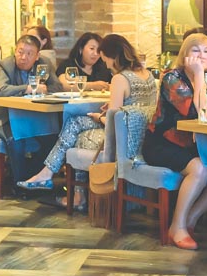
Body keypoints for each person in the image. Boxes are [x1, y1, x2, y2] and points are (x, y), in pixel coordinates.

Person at [17, 34, 158, 209]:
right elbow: (137, 110)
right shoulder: (148, 75)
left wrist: (99, 117)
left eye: (106, 60)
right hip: (144, 139)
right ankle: (59, 183)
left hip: (122, 142)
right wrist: (111, 110)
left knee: (77, 131)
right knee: (76, 124)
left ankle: (70, 191)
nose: (106, 65)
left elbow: (113, 124)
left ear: (113, 57)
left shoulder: (120, 79)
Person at [141, 31, 207, 250]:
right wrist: (198, 75)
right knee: (200, 169)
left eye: (206, 51)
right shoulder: (172, 78)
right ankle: (176, 227)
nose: (201, 55)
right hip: (163, 143)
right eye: (195, 50)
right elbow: (198, 112)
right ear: (185, 54)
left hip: (197, 144)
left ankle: (191, 218)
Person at [0, 35, 52, 184]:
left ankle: (33, 178)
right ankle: (19, 183)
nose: (23, 57)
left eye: (29, 53)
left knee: (52, 136)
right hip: (3, 118)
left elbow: (56, 87)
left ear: (37, 56)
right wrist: (29, 88)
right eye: (20, 52)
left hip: (32, 117)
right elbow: (2, 90)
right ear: (15, 51)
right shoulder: (5, 65)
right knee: (16, 139)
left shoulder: (44, 65)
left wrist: (46, 89)